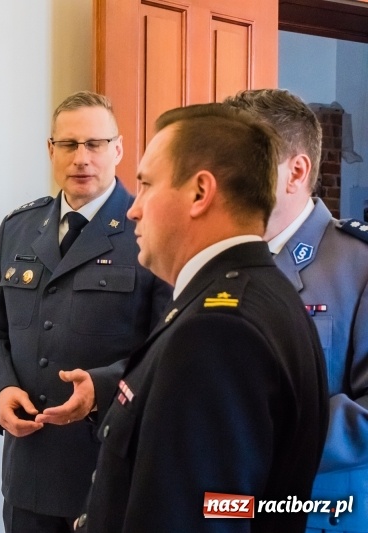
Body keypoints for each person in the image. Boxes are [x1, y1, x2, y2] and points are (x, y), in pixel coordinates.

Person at [40, 103, 329, 532]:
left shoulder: (218, 332)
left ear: (199, 193)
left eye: (147, 184)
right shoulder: (260, 293)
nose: (134, 209)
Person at [0, 91, 170, 532]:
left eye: (95, 144)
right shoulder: (20, 228)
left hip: (109, 466)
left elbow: (167, 350)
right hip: (30, 470)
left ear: (118, 150)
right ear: (51, 150)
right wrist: (0, 390)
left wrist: (100, 389)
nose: (82, 158)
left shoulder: (150, 229)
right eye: (69, 144)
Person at [225, 89, 368, 533]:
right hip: (226, 507)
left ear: (296, 171)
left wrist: (261, 441)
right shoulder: (220, 258)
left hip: (317, 511)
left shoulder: (358, 264)